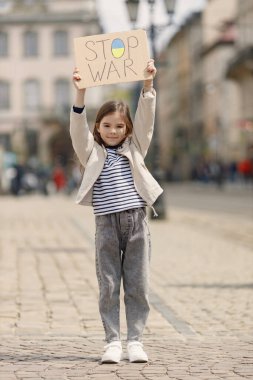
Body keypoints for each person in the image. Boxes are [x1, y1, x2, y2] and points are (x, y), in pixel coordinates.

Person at [70, 59, 163, 364]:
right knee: (109, 285)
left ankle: (135, 340)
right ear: (98, 127)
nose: (113, 130)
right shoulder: (92, 153)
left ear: (127, 129)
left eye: (119, 126)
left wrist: (148, 85)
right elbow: (77, 130)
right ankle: (112, 341)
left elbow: (146, 120)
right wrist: (80, 94)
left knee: (138, 284)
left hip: (136, 223)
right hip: (106, 225)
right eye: (107, 125)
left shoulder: (135, 148)